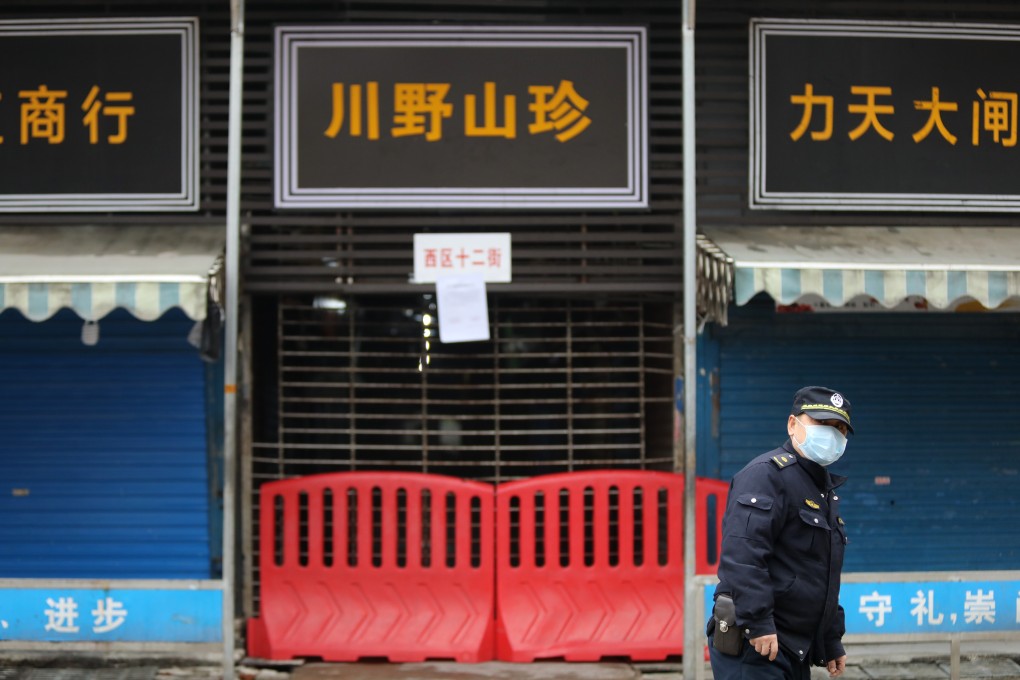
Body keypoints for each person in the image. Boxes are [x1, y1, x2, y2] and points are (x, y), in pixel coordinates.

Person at [707, 386, 853, 680]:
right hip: (756, 644)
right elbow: (742, 557)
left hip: (793, 646)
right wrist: (759, 622)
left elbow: (820, 573)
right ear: (792, 424)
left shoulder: (822, 490)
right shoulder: (765, 475)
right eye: (821, 423)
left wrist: (831, 638)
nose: (832, 435)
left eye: (839, 429)